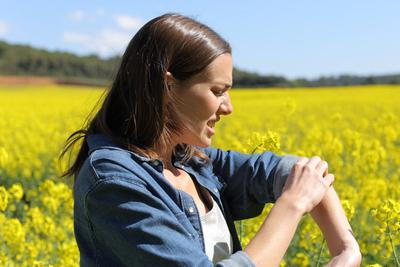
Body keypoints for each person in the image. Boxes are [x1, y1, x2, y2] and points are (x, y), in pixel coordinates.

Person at [60, 13, 361, 267]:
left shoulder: (190, 160)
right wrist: (293, 204)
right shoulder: (114, 183)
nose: (228, 107)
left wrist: (347, 249)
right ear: (167, 87)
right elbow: (299, 189)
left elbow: (302, 172)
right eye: (217, 91)